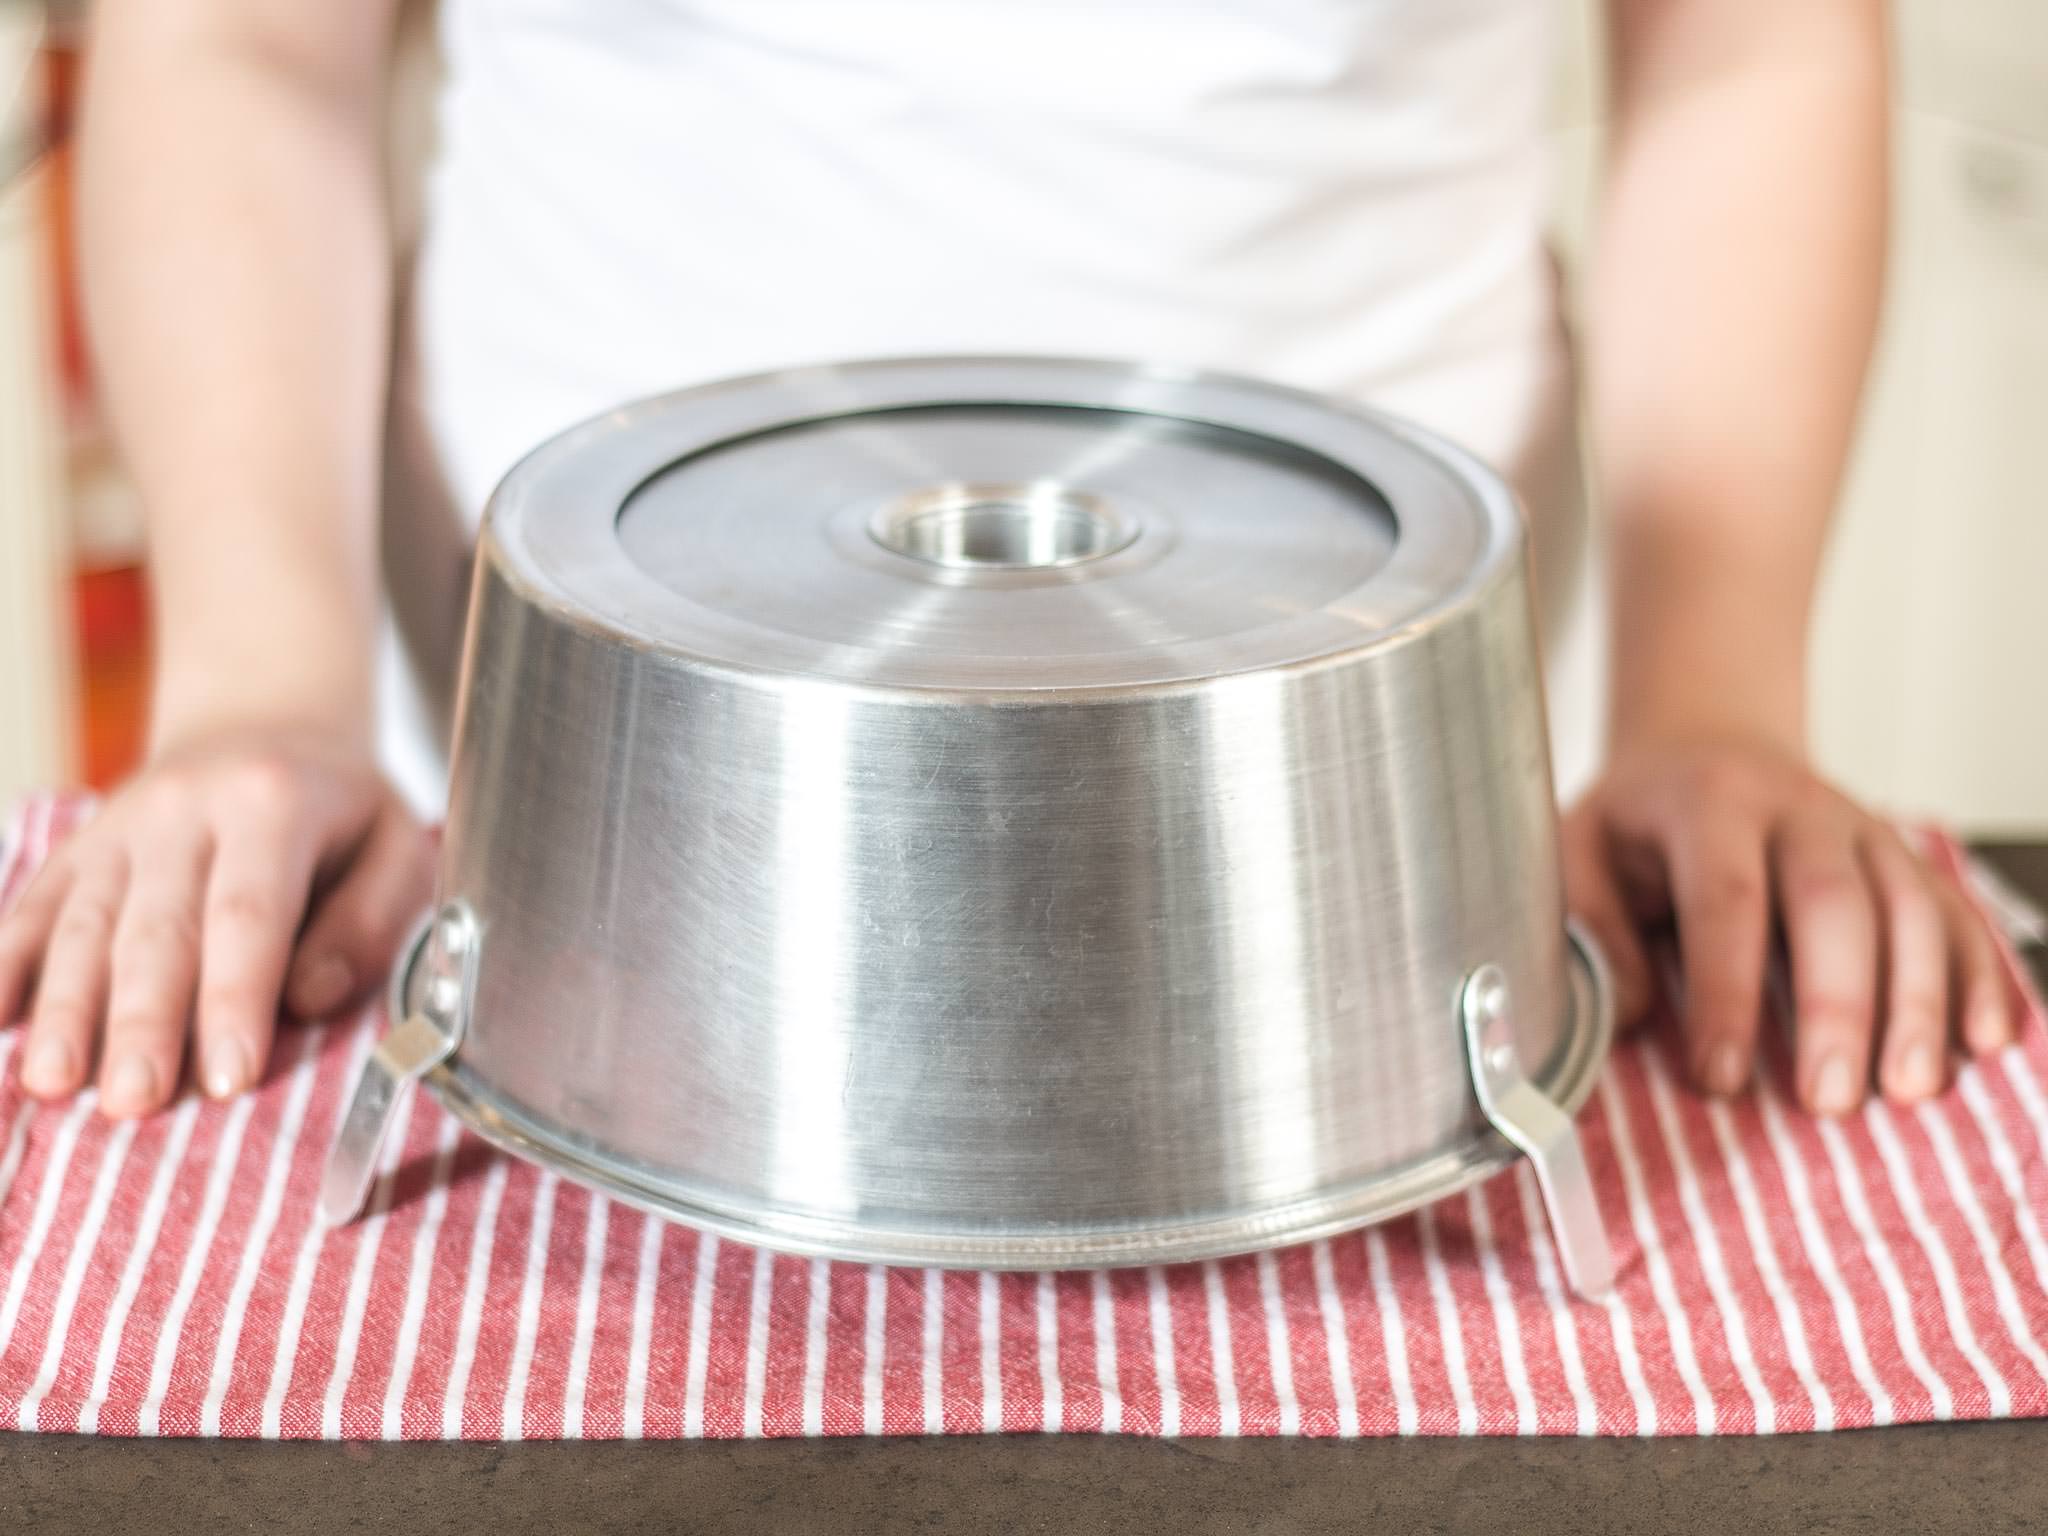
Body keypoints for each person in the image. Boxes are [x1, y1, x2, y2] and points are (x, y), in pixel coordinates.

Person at [0, 0, 2018, 1125]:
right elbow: (242, 45)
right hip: (527, 810)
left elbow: (1749, 42)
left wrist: (1713, 697)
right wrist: (255, 681)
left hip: (1397, 836)